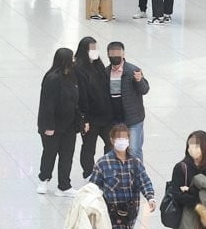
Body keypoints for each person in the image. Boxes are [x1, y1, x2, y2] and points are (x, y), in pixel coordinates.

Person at [89, 123, 156, 229]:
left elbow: (144, 180)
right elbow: (93, 187)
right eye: (119, 138)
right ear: (112, 140)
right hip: (110, 210)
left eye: (125, 138)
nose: (122, 141)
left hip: (130, 212)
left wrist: (150, 197)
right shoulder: (103, 163)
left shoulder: (135, 162)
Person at [36, 48, 82, 197]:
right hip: (53, 126)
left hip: (69, 125)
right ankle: (44, 179)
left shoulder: (72, 76)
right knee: (50, 153)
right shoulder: (52, 78)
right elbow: (47, 104)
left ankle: (64, 185)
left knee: (67, 155)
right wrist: (48, 126)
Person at [74, 36, 112, 178]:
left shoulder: (98, 65)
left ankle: (108, 170)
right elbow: (81, 95)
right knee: (89, 147)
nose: (94, 52)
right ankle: (88, 172)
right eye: (92, 49)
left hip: (105, 115)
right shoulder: (78, 69)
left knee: (110, 143)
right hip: (90, 117)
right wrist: (84, 118)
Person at [106, 41, 149, 161]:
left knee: (134, 150)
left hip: (133, 118)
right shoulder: (106, 72)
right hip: (115, 118)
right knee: (115, 150)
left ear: (123, 54)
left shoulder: (133, 71)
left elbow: (145, 89)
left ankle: (137, 174)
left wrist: (139, 80)